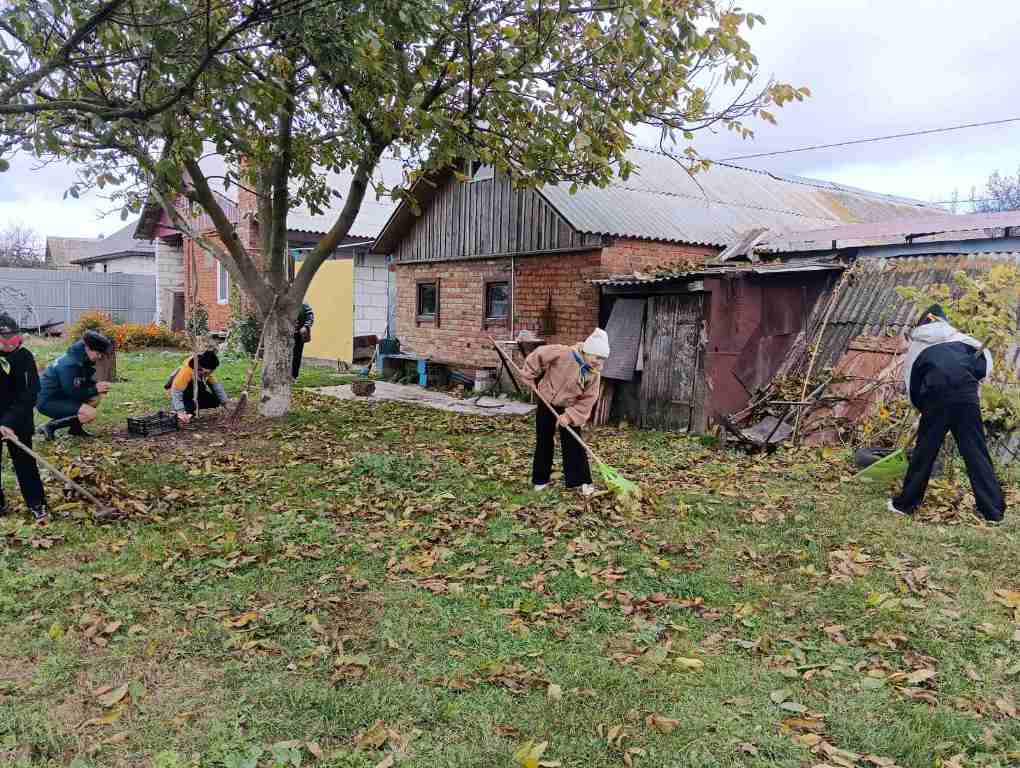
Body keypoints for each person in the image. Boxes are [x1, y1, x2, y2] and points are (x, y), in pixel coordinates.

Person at [889, 304, 1005, 524]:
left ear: (923, 324)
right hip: (966, 397)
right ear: (943, 320)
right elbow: (985, 363)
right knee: (976, 452)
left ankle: (905, 505)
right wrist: (971, 375)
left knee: (925, 452)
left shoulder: (918, 345)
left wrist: (923, 409)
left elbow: (912, 384)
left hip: (936, 399)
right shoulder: (962, 338)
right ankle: (993, 512)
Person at [519, 328, 610, 496]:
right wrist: (529, 374)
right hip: (546, 401)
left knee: (573, 443)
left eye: (603, 359)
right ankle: (540, 479)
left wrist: (570, 416)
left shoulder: (593, 374)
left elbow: (588, 399)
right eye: (597, 358)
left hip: (570, 407)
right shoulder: (563, 353)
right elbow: (538, 355)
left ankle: (581, 480)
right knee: (544, 439)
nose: (599, 363)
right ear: (588, 351)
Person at [0, 313, 48, 524]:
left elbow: (29, 394)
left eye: (13, 337)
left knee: (25, 461)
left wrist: (8, 422)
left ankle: (36, 503)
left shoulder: (25, 357)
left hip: (19, 419)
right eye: (4, 338)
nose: (10, 343)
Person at [36, 329, 112, 441]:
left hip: (60, 395)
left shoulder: (81, 358)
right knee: (90, 414)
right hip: (47, 401)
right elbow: (73, 392)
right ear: (87, 348)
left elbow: (80, 382)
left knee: (94, 399)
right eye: (98, 353)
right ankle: (50, 427)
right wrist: (95, 389)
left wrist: (96, 386)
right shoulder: (70, 364)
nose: (99, 357)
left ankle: (75, 429)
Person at [166, 350, 230, 422]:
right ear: (201, 367)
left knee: (215, 401)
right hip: (180, 391)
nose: (210, 373)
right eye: (208, 372)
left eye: (212, 371)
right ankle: (181, 409)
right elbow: (176, 391)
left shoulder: (206, 365)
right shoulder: (186, 372)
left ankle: (189, 408)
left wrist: (225, 402)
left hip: (195, 390)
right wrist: (180, 411)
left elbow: (215, 386)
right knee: (196, 388)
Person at [293, 302, 314, 379]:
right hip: (286, 334)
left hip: (299, 335)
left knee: (296, 355)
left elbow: (310, 316)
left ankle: (294, 376)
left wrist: (305, 326)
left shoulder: (304, 305)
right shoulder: (286, 303)